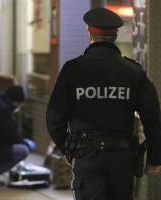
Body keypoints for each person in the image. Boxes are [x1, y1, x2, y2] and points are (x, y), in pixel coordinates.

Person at [46, 7, 161, 200]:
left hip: (86, 156)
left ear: (89, 33)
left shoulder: (73, 70)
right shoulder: (133, 72)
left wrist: (68, 148)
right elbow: (152, 117)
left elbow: (54, 116)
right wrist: (155, 157)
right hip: (122, 160)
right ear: (115, 36)